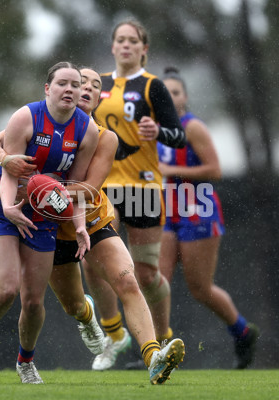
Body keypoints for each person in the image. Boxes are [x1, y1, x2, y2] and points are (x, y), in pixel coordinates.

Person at [0, 67, 186, 384]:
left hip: (89, 219)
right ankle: (87, 315)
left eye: (93, 85)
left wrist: (39, 186)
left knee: (127, 279)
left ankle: (153, 356)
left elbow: (88, 189)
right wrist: (9, 162)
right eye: (79, 82)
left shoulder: (102, 137)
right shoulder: (37, 119)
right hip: (50, 229)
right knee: (73, 305)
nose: (85, 88)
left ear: (97, 97)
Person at [0, 61, 100, 384]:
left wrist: (79, 226)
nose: (70, 89)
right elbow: (10, 169)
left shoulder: (87, 130)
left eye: (75, 85)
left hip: (44, 213)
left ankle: (25, 361)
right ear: (47, 88)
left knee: (34, 300)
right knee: (8, 288)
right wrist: (9, 207)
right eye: (63, 83)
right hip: (1, 205)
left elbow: (75, 188)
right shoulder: (26, 117)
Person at [85, 18, 187, 371]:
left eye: (133, 41)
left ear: (144, 49)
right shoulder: (98, 85)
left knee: (145, 275)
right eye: (120, 40)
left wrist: (158, 130)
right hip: (104, 189)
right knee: (91, 260)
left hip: (143, 189)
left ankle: (161, 339)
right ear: (112, 46)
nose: (126, 45)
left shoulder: (152, 86)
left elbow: (178, 136)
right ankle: (114, 335)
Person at [157, 66, 260, 369]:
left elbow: (214, 170)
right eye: (164, 93)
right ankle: (155, 352)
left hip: (197, 210)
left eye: (175, 92)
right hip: (164, 211)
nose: (170, 97)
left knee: (200, 289)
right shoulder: (152, 129)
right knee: (156, 282)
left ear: (184, 97)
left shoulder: (192, 127)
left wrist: (173, 171)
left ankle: (242, 333)